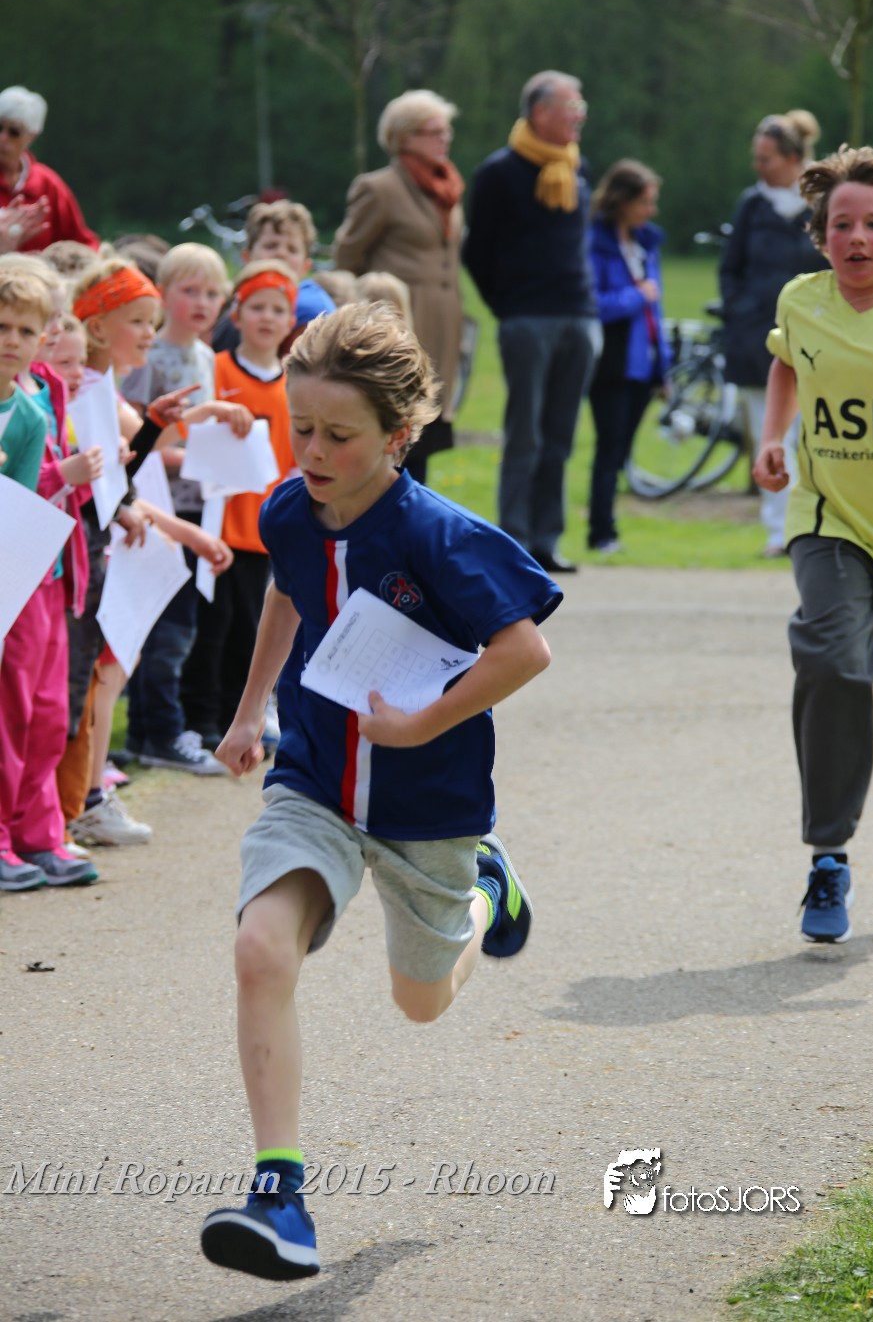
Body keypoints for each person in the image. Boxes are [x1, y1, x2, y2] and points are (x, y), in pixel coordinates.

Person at [198, 302, 560, 1280]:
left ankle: (488, 891)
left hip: (427, 802)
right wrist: (249, 712)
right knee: (260, 948)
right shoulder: (288, 508)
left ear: (399, 436)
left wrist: (422, 723)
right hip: (313, 778)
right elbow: (286, 588)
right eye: (301, 428)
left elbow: (524, 650)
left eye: (338, 435)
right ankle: (280, 1196)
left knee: (422, 1002)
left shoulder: (438, 534)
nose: (313, 452)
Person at [753, 145, 873, 944]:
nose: (857, 237)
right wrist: (772, 438)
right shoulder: (802, 300)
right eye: (841, 224)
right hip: (829, 518)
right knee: (834, 659)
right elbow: (787, 363)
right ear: (821, 236)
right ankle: (829, 856)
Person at [462, 70, 602, 573]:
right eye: (571, 107)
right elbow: (476, 252)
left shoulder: (577, 167)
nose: (580, 115)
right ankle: (516, 542)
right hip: (527, 319)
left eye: (580, 106)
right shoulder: (499, 173)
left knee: (560, 436)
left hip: (579, 316)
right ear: (540, 113)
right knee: (525, 435)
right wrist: (508, 306)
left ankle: (547, 541)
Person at [120, 242, 236, 774]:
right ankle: (161, 733)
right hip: (156, 507)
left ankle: (149, 733)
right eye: (191, 291)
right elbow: (136, 444)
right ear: (164, 294)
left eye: (213, 293)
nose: (203, 303)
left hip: (200, 507)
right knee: (165, 628)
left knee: (184, 624)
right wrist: (185, 457)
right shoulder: (149, 358)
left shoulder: (205, 356)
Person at [0, 267, 98, 889]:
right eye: (1, 326)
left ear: (43, 339)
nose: (11, 339)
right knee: (8, 712)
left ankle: (37, 833)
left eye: (24, 330)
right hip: (11, 577)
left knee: (45, 709)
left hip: (37, 570)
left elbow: (26, 502)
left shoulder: (34, 408)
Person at [182, 260, 298, 747]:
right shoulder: (216, 368)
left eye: (277, 309)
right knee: (209, 627)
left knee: (250, 630)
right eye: (257, 307)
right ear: (237, 314)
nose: (267, 318)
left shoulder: (294, 385)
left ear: (291, 321)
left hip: (260, 531)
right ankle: (199, 721)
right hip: (213, 526)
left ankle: (241, 721)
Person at [334, 90, 464, 483]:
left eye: (446, 131)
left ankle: (413, 510)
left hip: (442, 328)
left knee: (426, 429)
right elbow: (347, 259)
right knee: (394, 427)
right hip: (399, 324)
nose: (444, 138)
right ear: (404, 136)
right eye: (434, 131)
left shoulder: (448, 190)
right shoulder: (379, 189)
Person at [721, 109, 828, 558]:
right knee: (771, 437)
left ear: (792, 159)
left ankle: (811, 526)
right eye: (757, 158)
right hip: (756, 338)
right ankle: (777, 530)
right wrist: (740, 311)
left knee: (812, 436)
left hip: (815, 340)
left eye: (766, 159)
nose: (759, 167)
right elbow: (731, 267)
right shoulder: (752, 205)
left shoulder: (822, 204)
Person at [586, 160, 672, 554]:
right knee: (609, 449)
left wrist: (663, 367)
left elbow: (657, 312)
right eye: (644, 202)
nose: (651, 210)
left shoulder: (646, 244)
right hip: (612, 363)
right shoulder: (595, 244)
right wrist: (637, 295)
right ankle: (601, 531)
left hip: (643, 364)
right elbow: (594, 303)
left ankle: (607, 527)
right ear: (622, 201)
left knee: (620, 452)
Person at [211, 200, 335, 357]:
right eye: (271, 245)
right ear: (247, 257)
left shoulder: (313, 309)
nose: (281, 253)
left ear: (306, 266)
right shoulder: (229, 312)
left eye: (292, 249)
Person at [0, 86, 98, 253]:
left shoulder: (48, 185)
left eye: (14, 132)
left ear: (31, 136)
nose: (3, 137)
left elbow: (83, 245)